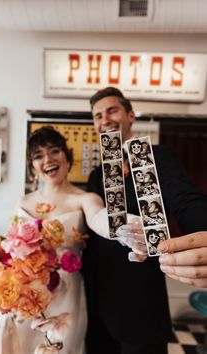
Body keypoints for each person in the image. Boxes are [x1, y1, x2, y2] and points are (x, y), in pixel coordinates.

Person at [0, 126, 142, 354]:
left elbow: (99, 218)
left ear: (66, 156)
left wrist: (126, 228)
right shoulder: (23, 201)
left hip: (65, 292)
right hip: (25, 293)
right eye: (38, 156)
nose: (48, 159)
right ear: (32, 166)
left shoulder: (84, 199)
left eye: (54, 151)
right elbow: (10, 251)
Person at [82, 86, 207, 354]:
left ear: (130, 115)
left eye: (112, 110)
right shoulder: (96, 174)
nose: (105, 119)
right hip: (98, 297)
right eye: (97, 115)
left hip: (140, 298)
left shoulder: (157, 157)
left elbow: (185, 199)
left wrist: (203, 232)